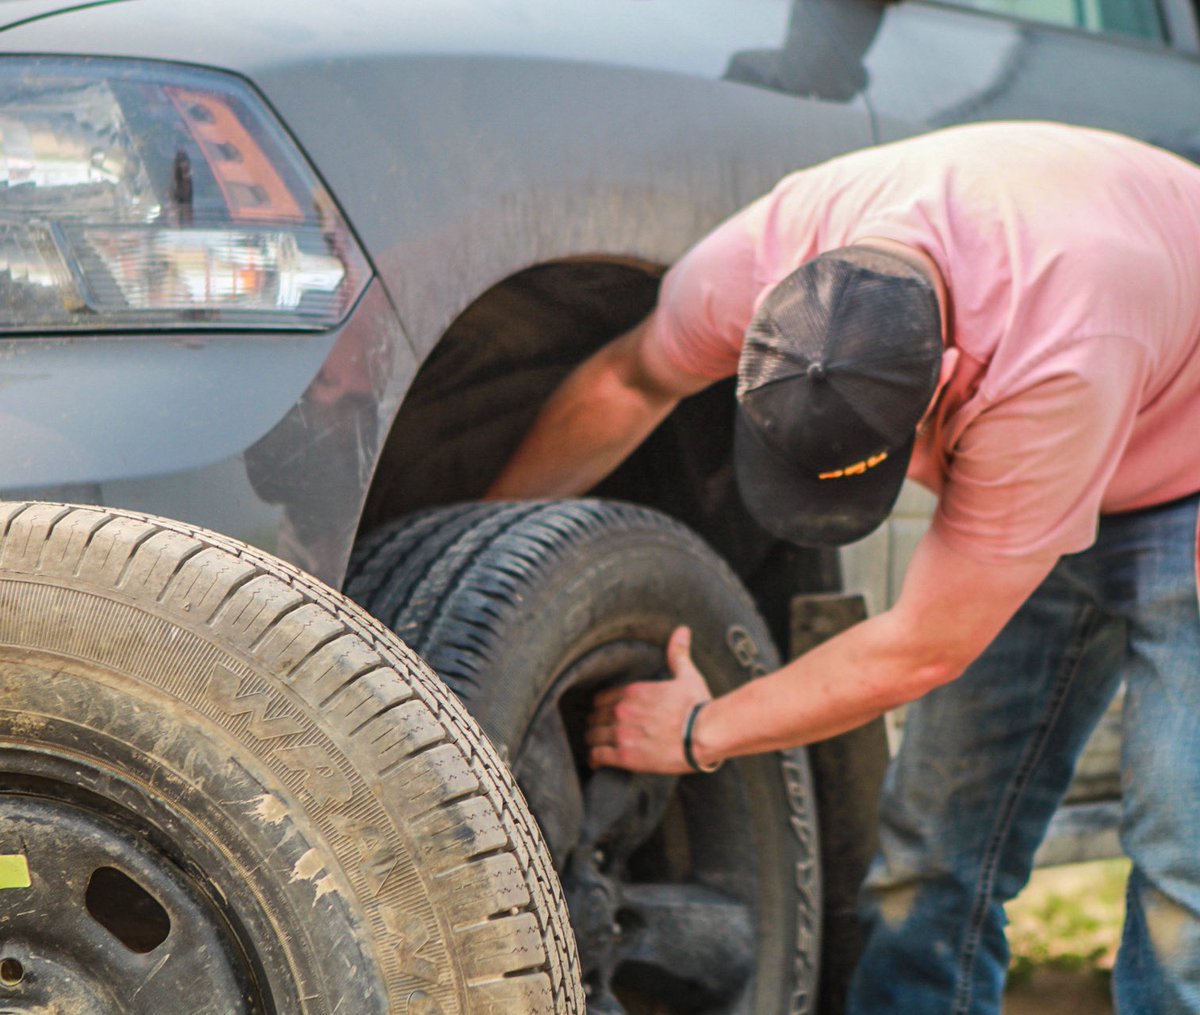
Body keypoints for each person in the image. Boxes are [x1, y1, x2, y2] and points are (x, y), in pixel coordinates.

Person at [484, 122, 1200, 1014]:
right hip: (1092, 354)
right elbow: (627, 381)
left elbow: (922, 649)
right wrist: (482, 558)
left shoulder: (1051, 368)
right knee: (930, 848)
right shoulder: (760, 259)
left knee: (1184, 869)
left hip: (1181, 461)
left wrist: (704, 727)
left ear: (940, 383)